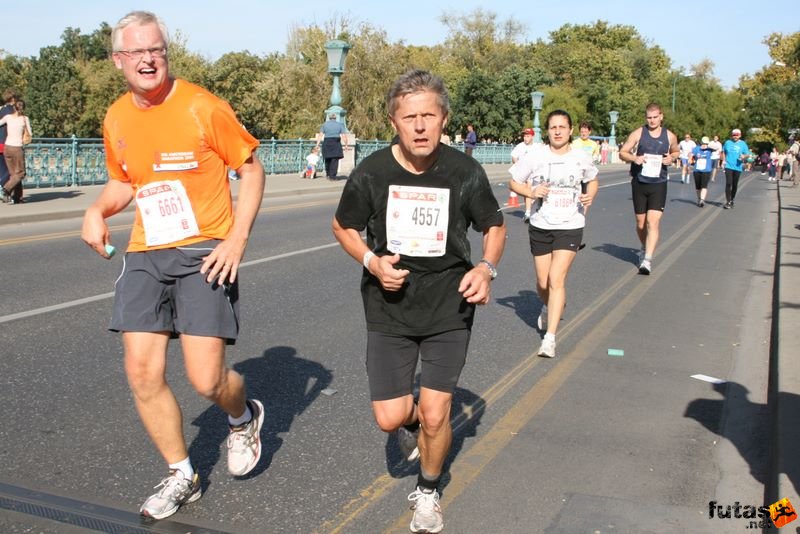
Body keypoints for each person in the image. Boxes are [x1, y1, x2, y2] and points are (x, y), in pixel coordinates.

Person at [80, 11, 267, 520]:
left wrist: (236, 239)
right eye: (137, 52)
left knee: (206, 380)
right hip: (146, 251)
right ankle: (182, 474)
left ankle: (243, 415)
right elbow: (125, 181)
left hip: (203, 250)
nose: (148, 59)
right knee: (141, 371)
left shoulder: (202, 107)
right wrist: (97, 209)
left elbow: (250, 170)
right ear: (118, 60)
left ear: (167, 53)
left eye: (156, 49)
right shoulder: (117, 116)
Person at [332, 69, 506, 534]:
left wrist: (485, 268)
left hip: (449, 306)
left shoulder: (464, 171)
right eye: (410, 117)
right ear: (395, 122)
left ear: (444, 118)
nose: (421, 126)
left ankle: (427, 489)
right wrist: (371, 262)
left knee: (435, 412)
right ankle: (419, 429)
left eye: (429, 115)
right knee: (391, 417)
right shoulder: (372, 173)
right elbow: (342, 226)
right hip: (389, 306)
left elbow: (493, 224)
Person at [509, 110, 598, 358]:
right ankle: (550, 305)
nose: (557, 131)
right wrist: (531, 191)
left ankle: (550, 338)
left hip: (570, 223)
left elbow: (593, 180)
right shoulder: (536, 155)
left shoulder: (581, 157)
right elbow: (514, 181)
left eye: (562, 127)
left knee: (556, 279)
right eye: (552, 127)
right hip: (541, 223)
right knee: (542, 282)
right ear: (547, 131)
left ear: (571, 130)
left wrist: (590, 195)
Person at [618, 102, 680, 275]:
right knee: (640, 223)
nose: (652, 121)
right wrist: (633, 158)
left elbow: (676, 151)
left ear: (661, 116)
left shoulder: (670, 136)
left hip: (658, 183)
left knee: (653, 222)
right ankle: (644, 246)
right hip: (640, 182)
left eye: (655, 117)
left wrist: (671, 158)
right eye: (649, 117)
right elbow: (622, 152)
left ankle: (647, 259)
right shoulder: (638, 133)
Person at [0, 98, 32, 204]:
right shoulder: (24, 119)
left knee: (13, 174)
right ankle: (6, 190)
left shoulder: (8, 117)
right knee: (21, 174)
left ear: (14, 107)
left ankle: (17, 197)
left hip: (7, 148)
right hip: (17, 148)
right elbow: (30, 134)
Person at [511, 128, 536, 222]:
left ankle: (528, 212)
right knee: (526, 192)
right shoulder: (520, 146)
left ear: (532, 136)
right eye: (525, 136)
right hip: (523, 172)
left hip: (533, 173)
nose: (525, 138)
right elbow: (514, 157)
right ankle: (528, 211)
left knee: (529, 191)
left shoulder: (536, 147)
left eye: (528, 136)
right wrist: (517, 165)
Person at [720, 128, 750, 209]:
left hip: (738, 166)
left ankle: (732, 199)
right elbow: (723, 152)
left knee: (735, 184)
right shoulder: (727, 142)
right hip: (728, 165)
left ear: (740, 135)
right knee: (728, 183)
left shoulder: (743, 144)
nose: (735, 136)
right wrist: (723, 161)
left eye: (737, 135)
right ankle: (728, 201)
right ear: (732, 135)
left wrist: (744, 156)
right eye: (734, 135)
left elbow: (748, 154)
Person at [319, 113, 348, 180]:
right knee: (334, 160)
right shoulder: (340, 125)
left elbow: (320, 135)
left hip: (327, 142)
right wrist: (346, 145)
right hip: (336, 142)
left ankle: (328, 174)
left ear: (329, 118)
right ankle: (333, 176)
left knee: (327, 159)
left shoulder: (324, 124)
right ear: (335, 118)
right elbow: (344, 136)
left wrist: (317, 144)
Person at [0, 89, 16, 202]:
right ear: (13, 99)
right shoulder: (12, 112)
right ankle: (4, 192)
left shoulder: (1, 110)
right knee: (9, 171)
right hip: (7, 143)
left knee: (2, 169)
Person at [691, 136, 715, 207]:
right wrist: (690, 157)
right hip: (697, 170)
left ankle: (702, 200)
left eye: (705, 143)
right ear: (700, 143)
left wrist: (708, 145)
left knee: (704, 186)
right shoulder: (697, 148)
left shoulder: (710, 149)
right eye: (703, 143)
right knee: (698, 187)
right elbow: (691, 153)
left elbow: (717, 148)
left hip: (706, 170)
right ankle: (699, 198)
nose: (704, 145)